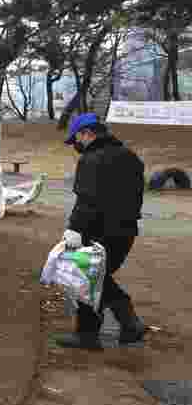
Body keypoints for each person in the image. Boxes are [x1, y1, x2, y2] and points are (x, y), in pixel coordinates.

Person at [57, 112, 146, 349]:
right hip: (126, 231)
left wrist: (74, 229)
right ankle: (125, 324)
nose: (76, 145)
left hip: (97, 231)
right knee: (96, 277)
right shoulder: (131, 157)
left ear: (87, 133)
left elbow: (86, 200)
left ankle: (104, 329)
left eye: (76, 139)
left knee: (87, 276)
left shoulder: (91, 159)